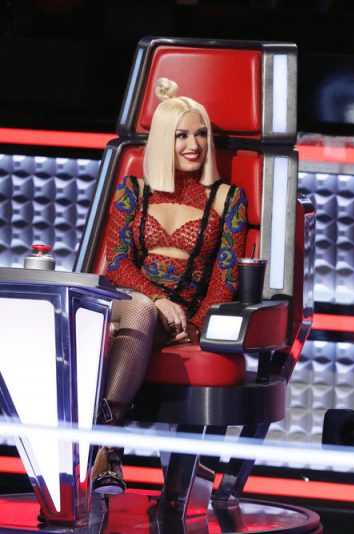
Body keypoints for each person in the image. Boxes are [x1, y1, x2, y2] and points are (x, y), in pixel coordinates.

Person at [92, 78, 248, 494]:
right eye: (181, 135)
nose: (194, 144)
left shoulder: (227, 198)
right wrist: (158, 298)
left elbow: (225, 279)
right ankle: (108, 443)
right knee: (140, 308)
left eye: (201, 134)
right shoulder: (133, 191)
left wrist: (195, 326)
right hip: (126, 299)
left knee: (136, 320)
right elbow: (117, 263)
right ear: (164, 139)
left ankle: (104, 445)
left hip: (176, 318)